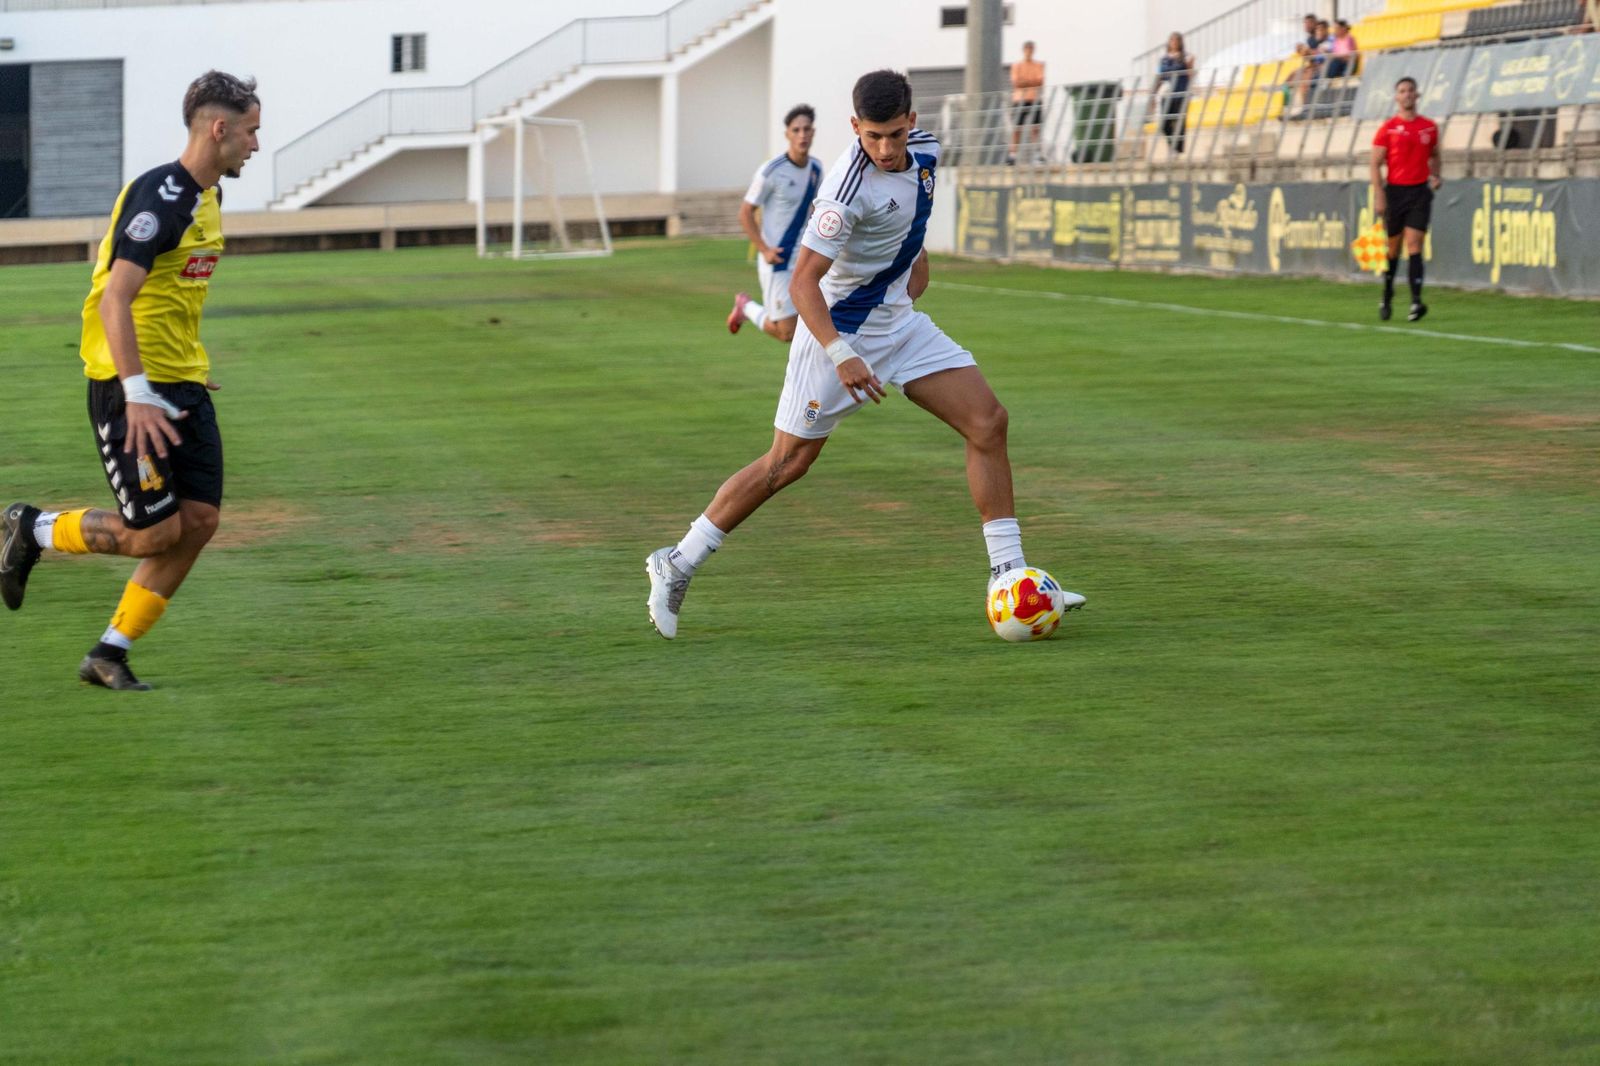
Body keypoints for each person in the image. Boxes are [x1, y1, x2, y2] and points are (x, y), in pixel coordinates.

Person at [645, 69, 1085, 640]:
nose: (883, 148)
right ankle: (676, 562)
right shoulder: (843, 194)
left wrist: (910, 264)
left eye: (894, 135)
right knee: (787, 464)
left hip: (900, 325)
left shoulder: (925, 153)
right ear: (855, 127)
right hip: (838, 333)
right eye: (871, 136)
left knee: (988, 422)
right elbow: (804, 283)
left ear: (913, 125)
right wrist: (840, 353)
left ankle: (1009, 578)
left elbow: (912, 215)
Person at [0, 70, 260, 690]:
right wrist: (140, 392)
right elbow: (118, 300)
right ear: (218, 128)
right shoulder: (161, 199)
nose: (256, 143)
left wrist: (187, 366)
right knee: (152, 534)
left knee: (198, 521)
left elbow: (172, 294)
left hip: (182, 384)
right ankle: (31, 528)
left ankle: (107, 654)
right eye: (251, 131)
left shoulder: (208, 196)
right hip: (130, 388)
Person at [727, 105, 823, 345]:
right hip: (778, 260)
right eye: (796, 130)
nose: (802, 134)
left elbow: (814, 211)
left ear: (813, 132)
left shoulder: (816, 169)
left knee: (819, 322)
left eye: (806, 129)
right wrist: (764, 250)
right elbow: (745, 212)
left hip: (804, 260)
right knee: (786, 333)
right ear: (787, 135)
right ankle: (746, 306)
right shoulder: (772, 170)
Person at [1370, 76, 1441, 322]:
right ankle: (1388, 293)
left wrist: (1436, 175)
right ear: (1396, 97)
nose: (1407, 94)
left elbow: (1435, 154)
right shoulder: (1388, 128)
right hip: (1395, 192)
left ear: (1417, 95)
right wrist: (1380, 195)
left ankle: (1415, 302)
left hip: (1420, 191)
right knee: (1393, 249)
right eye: (1402, 91)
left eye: (1411, 90)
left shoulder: (1429, 127)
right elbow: (1375, 163)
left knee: (1414, 245)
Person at [1154, 32, 1195, 154]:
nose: (1174, 43)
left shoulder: (1186, 57)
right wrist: (1154, 94)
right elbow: (1160, 77)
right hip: (1167, 94)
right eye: (1172, 41)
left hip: (1181, 93)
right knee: (1164, 124)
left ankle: (1179, 150)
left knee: (1180, 122)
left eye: (1176, 41)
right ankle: (1174, 146)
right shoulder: (1164, 59)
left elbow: (1190, 74)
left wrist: (1188, 64)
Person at [1008, 41, 1046, 164]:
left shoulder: (1038, 65)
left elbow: (1040, 81)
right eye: (1027, 49)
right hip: (1019, 99)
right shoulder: (1017, 66)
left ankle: (1037, 155)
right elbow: (1016, 83)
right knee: (1017, 127)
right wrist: (1031, 82)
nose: (1029, 51)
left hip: (1034, 98)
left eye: (1031, 49)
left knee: (1035, 128)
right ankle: (1013, 155)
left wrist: (1025, 82)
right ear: (1023, 50)